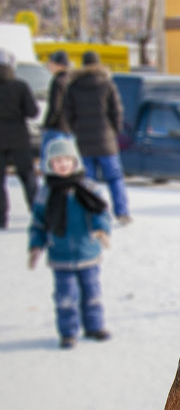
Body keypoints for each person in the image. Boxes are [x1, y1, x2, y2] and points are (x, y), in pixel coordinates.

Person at [28, 135, 111, 349]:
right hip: (60, 254)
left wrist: (102, 230)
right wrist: (36, 246)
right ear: (49, 165)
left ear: (75, 162)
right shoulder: (46, 193)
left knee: (92, 293)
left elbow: (100, 212)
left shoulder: (87, 187)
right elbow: (39, 222)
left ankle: (94, 326)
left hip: (88, 252)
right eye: (57, 161)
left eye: (67, 160)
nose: (62, 164)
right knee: (65, 297)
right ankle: (68, 332)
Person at [63, 50, 132, 224]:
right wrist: (113, 132)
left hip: (83, 143)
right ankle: (122, 212)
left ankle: (92, 215)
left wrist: (75, 131)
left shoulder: (73, 86)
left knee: (88, 181)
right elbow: (116, 112)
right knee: (115, 178)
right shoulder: (107, 85)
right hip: (106, 141)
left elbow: (67, 114)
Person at [0, 48, 39, 229]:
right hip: (19, 137)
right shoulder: (20, 86)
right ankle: (38, 213)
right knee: (28, 176)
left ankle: (2, 219)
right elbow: (33, 112)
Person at [41, 49, 71, 168]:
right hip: (69, 128)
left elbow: (55, 107)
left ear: (58, 65)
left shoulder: (58, 82)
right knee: (67, 161)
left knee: (50, 160)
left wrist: (47, 124)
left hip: (57, 127)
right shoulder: (71, 80)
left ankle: (49, 184)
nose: (49, 65)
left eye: (50, 63)